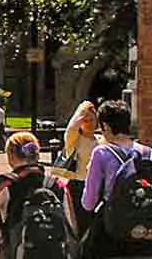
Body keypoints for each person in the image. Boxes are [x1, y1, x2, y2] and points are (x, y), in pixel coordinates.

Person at [79, 100, 152, 258]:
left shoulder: (102, 153)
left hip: (113, 233)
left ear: (105, 126)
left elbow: (88, 203)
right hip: (147, 236)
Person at [0, 131, 73, 259]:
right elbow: (72, 228)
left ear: (11, 155)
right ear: (37, 155)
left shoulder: (6, 185)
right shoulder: (57, 185)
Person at [49, 101, 101, 237]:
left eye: (92, 119)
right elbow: (71, 128)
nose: (89, 123)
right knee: (80, 227)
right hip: (79, 186)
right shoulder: (75, 140)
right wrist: (82, 109)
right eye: (86, 120)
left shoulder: (101, 140)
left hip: (98, 187)